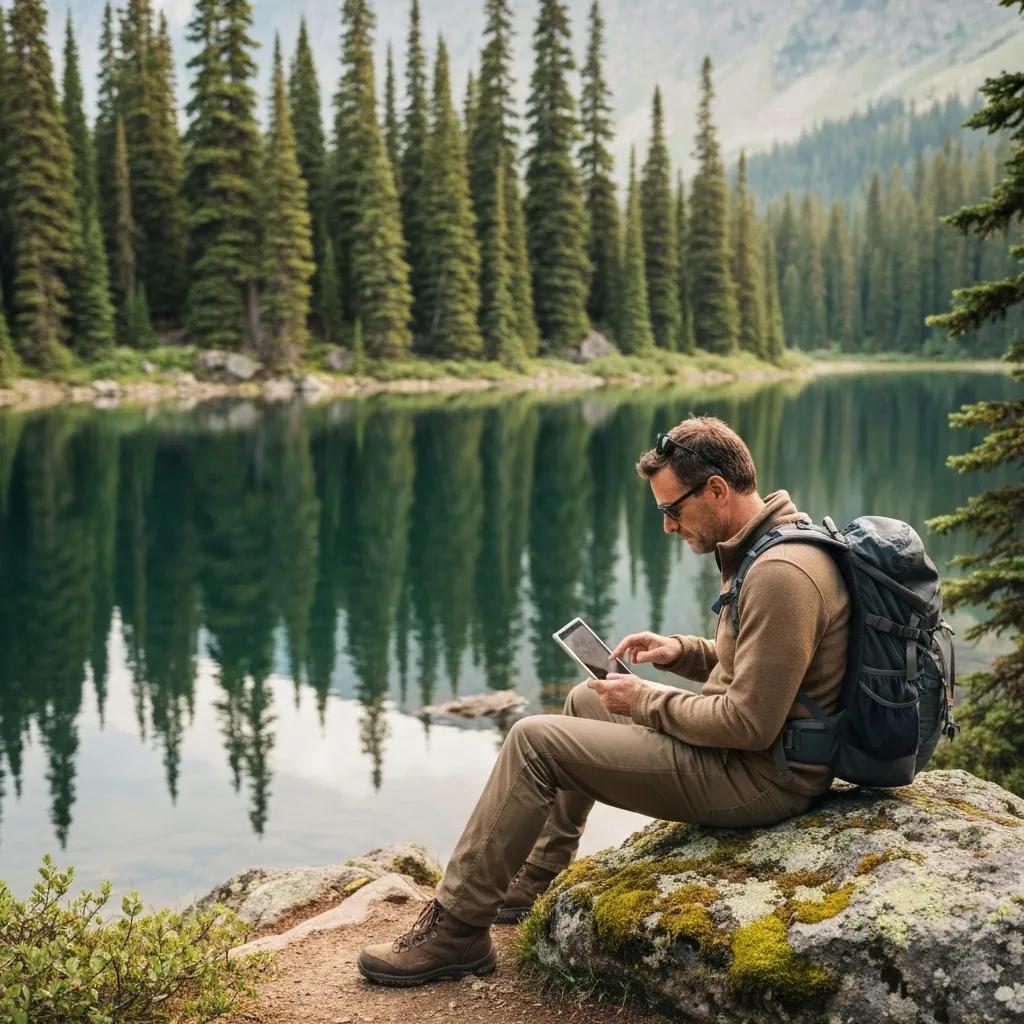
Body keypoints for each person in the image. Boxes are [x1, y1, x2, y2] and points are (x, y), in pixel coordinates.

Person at [357, 415, 850, 987]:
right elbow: (766, 665)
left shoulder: (781, 573)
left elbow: (748, 722)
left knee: (533, 741)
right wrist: (682, 652)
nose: (667, 525)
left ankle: (457, 933)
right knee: (585, 699)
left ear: (717, 489)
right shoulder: (772, 543)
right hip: (757, 755)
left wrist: (643, 699)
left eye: (672, 509)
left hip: (763, 777)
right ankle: (535, 877)